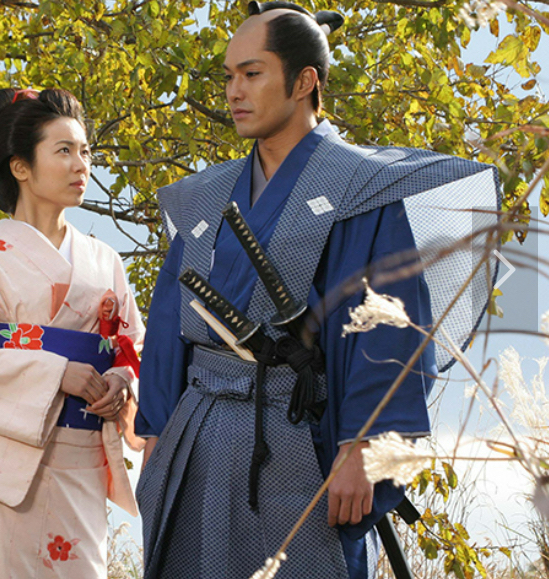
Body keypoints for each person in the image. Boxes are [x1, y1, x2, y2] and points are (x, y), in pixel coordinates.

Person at [134, 2, 500, 579]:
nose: (234, 91)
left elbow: (390, 325)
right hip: (198, 428)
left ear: (304, 81)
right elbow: (167, 322)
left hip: (299, 432)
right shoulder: (204, 196)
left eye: (252, 74)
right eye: (229, 76)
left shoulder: (361, 188)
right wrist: (158, 430)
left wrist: (365, 445)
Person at [0, 87, 145, 579]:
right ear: (21, 166)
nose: (81, 165)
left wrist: (123, 378)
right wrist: (55, 373)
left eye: (85, 151)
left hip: (81, 462)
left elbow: (134, 343)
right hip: (6, 465)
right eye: (64, 151)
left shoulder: (103, 260)